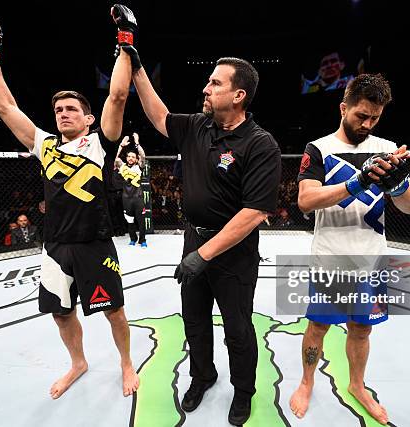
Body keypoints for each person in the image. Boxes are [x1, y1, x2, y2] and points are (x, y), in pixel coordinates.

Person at [0, 6, 140, 400]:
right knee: (61, 313)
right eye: (58, 110)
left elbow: (117, 95)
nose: (62, 114)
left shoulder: (101, 142)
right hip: (54, 246)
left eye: (71, 110)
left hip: (94, 244)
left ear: (88, 119)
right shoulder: (45, 143)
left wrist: (125, 40)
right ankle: (78, 363)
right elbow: (5, 107)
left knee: (114, 311)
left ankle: (126, 362)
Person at [124, 26, 281, 422]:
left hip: (234, 253)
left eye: (215, 83)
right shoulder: (197, 126)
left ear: (238, 95)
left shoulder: (260, 144)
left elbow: (253, 213)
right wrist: (136, 65)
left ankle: (243, 390)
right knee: (194, 321)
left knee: (238, 330)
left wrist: (203, 255)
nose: (206, 88)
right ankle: (202, 376)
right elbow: (158, 115)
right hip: (194, 239)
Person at [292, 73, 410, 423]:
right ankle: (306, 381)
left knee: (362, 329)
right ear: (343, 107)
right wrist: (357, 181)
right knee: (317, 327)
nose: (366, 124)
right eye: (360, 115)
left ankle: (357, 385)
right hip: (330, 258)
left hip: (371, 260)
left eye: (374, 118)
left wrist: (396, 187)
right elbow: (305, 200)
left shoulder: (387, 148)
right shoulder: (318, 148)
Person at [114, 132, 147, 247]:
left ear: (136, 159)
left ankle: (142, 240)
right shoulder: (121, 166)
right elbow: (115, 158)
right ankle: (133, 238)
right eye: (129, 156)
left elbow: (143, 156)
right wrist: (121, 146)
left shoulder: (139, 166)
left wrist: (137, 143)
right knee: (129, 220)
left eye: (133, 157)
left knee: (141, 221)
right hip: (126, 198)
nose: (131, 158)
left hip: (137, 198)